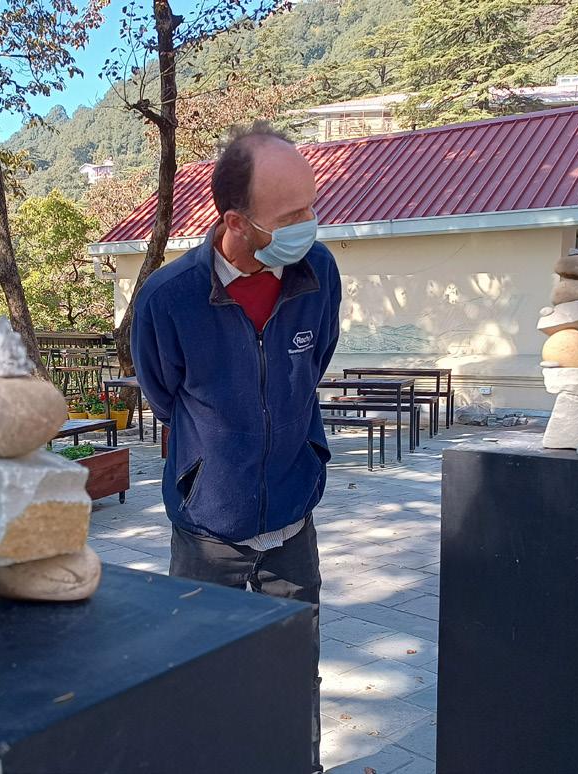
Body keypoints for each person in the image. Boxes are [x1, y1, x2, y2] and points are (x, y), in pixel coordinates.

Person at [132, 122, 340, 773]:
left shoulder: (318, 273)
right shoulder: (168, 298)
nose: (309, 226)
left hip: (292, 521)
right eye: (291, 216)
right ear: (235, 221)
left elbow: (313, 365)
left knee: (293, 678)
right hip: (207, 531)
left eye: (311, 207)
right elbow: (163, 394)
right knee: (201, 681)